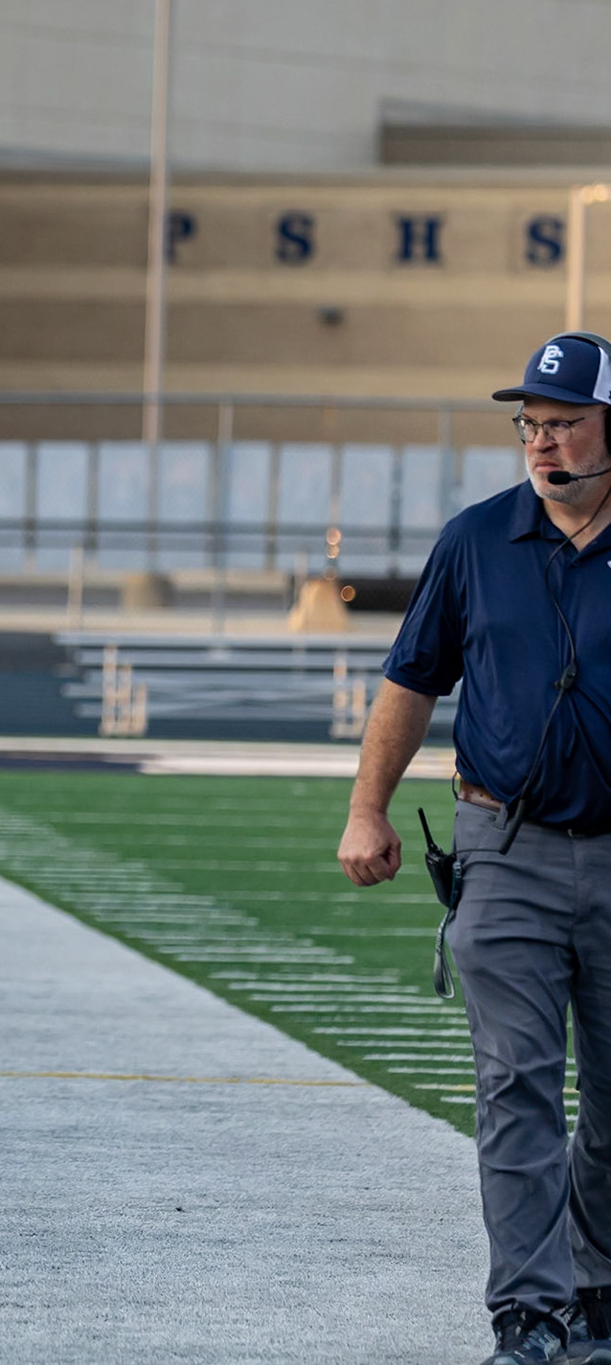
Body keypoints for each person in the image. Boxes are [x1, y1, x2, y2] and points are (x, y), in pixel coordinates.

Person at [339, 331, 611, 1365]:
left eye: (565, 424)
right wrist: (367, 809)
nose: (542, 444)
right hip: (504, 847)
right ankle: (529, 1314)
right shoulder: (475, 540)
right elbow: (412, 681)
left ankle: (595, 1287)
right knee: (517, 1086)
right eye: (530, 426)